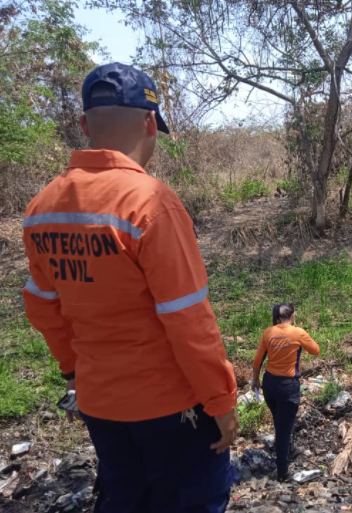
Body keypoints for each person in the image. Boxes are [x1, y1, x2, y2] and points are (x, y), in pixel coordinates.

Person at [22, 63, 238, 513]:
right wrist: (220, 401)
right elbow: (188, 319)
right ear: (148, 123)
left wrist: (75, 374)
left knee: (125, 498)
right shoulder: (151, 203)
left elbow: (43, 307)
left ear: (84, 124)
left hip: (100, 403)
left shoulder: (41, 209)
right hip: (172, 409)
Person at [252, 303, 320, 481]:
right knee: (283, 429)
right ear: (293, 315)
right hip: (287, 386)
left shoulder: (269, 332)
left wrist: (254, 380)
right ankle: (283, 472)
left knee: (279, 421)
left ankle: (290, 449)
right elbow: (316, 350)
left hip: (269, 384)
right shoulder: (298, 333)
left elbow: (258, 359)